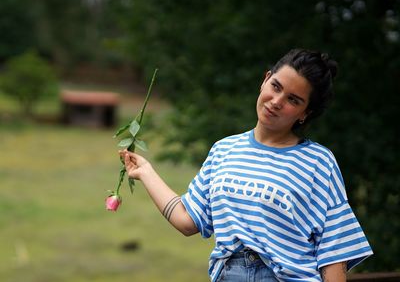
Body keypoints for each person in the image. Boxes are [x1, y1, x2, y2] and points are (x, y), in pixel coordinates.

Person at [120, 49, 373, 282]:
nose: (276, 101)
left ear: (305, 113)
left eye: (293, 100)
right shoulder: (224, 150)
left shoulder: (319, 162)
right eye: (275, 86)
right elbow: (187, 220)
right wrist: (145, 172)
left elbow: (334, 252)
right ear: (265, 79)